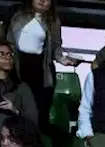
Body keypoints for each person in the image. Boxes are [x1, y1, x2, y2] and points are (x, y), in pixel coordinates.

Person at [8, 0, 79, 136]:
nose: (42, 1)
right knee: (15, 114)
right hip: (16, 68)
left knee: (37, 115)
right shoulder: (17, 15)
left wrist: (64, 60)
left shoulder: (53, 21)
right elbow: (8, 41)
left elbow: (56, 48)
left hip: (40, 71)